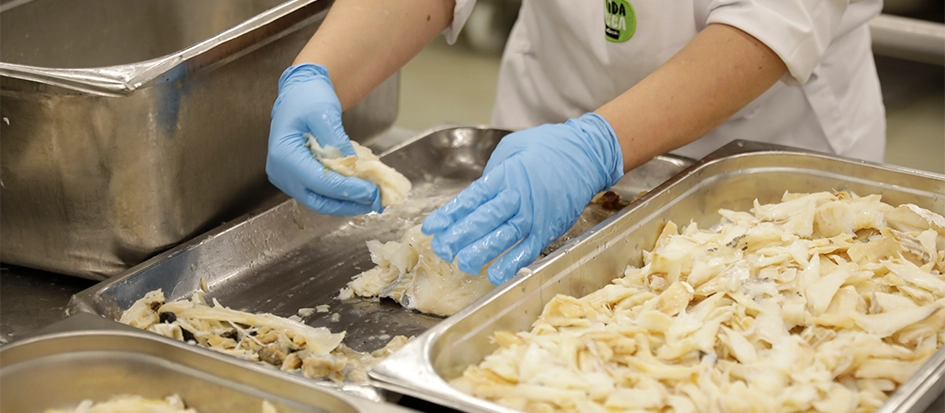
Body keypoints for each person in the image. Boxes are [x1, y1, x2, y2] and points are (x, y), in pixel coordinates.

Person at [266, 0, 886, 286]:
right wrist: (317, 73)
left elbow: (769, 21)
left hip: (761, 165)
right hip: (545, 126)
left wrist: (596, 145)